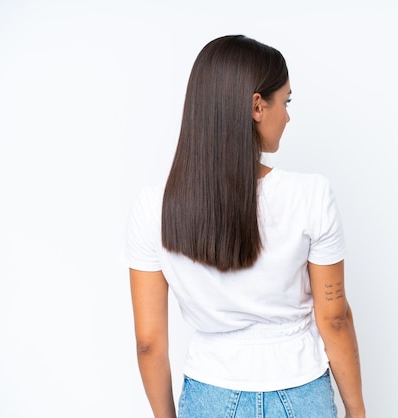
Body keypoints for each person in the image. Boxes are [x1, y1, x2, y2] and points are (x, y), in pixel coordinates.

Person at [123, 34, 365, 418]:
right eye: (285, 102)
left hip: (210, 396)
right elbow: (334, 319)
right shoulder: (311, 195)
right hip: (300, 391)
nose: (287, 115)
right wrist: (357, 411)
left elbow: (148, 343)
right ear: (257, 106)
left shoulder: (153, 208)